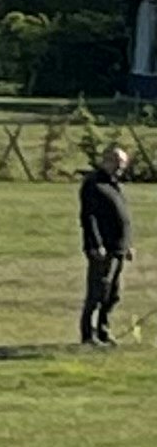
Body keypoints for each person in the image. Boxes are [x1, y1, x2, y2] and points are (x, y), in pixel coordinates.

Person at [84, 142, 133, 347]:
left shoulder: (114, 184)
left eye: (124, 163)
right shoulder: (94, 185)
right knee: (98, 292)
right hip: (103, 249)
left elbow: (122, 217)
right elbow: (89, 217)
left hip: (119, 247)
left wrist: (128, 245)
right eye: (119, 163)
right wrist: (96, 244)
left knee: (113, 294)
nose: (122, 167)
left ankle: (104, 330)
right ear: (108, 160)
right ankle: (88, 335)